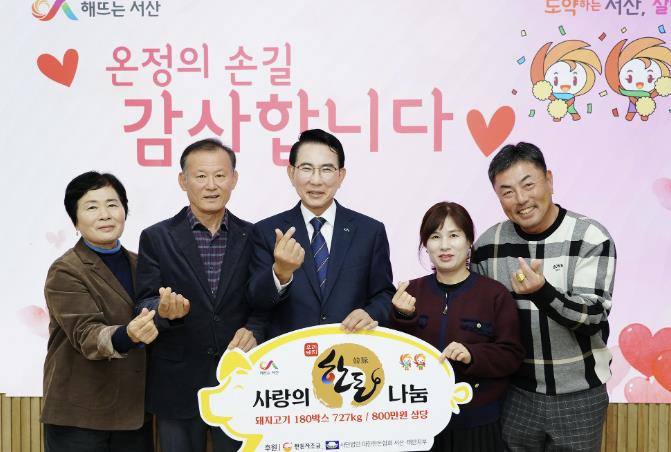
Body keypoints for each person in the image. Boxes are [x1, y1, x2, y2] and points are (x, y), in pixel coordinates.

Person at [472, 142, 616, 451]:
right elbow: (478, 320)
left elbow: (593, 318)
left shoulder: (589, 237)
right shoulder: (487, 246)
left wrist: (543, 292)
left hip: (579, 395)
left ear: (549, 180)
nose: (521, 199)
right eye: (507, 192)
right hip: (514, 393)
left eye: (528, 185)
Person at [135, 138, 265, 452]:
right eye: (201, 176)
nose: (211, 185)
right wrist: (163, 311)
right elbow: (144, 302)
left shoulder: (254, 236)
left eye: (220, 175)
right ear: (183, 181)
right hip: (177, 383)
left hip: (239, 378)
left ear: (234, 179)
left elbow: (263, 301)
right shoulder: (156, 237)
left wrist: (255, 330)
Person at [390, 201, 524, 452]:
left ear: (469, 241)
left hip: (477, 422)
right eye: (435, 237)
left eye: (454, 235)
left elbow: (511, 355)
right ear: (425, 244)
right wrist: (402, 316)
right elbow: (392, 358)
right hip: (418, 421)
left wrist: (472, 354)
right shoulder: (409, 292)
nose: (444, 245)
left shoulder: (494, 294)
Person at [42, 171, 156, 452]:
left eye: (112, 204)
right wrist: (128, 334)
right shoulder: (66, 270)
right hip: (81, 417)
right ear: (75, 220)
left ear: (124, 211)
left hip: (134, 414)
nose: (105, 215)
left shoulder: (142, 264)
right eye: (92, 207)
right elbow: (86, 333)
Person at [247, 128, 394, 338]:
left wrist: (371, 313)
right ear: (291, 173)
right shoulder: (266, 231)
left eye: (326, 169)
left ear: (341, 175)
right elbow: (255, 302)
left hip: (350, 349)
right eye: (306, 168)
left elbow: (384, 294)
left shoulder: (370, 231)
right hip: (289, 351)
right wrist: (280, 273)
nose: (316, 180)